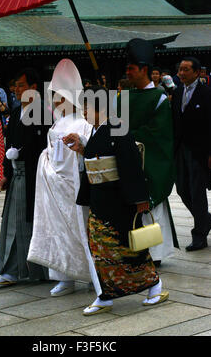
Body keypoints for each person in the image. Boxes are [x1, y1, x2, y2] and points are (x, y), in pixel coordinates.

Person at [63, 86, 168, 316]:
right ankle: (105, 295)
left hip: (119, 200)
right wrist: (81, 147)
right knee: (101, 250)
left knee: (128, 248)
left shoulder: (117, 127)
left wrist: (140, 199)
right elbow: (96, 160)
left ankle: (154, 286)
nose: (83, 112)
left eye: (86, 107)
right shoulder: (97, 131)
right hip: (101, 199)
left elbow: (130, 165)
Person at [28, 59, 93, 297]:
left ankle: (89, 274)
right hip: (54, 185)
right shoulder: (56, 123)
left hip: (73, 184)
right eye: (53, 95)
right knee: (57, 230)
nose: (54, 101)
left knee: (79, 228)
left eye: (58, 96)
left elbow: (87, 152)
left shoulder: (83, 123)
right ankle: (63, 276)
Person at [0, 68, 48, 285]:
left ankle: (39, 270)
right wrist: (6, 172)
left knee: (30, 221)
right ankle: (11, 269)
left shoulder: (42, 112)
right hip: (17, 174)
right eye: (15, 86)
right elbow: (9, 145)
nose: (16, 90)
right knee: (13, 221)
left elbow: (45, 147)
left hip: (35, 176)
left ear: (34, 88)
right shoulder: (15, 113)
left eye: (22, 85)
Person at [125, 38, 179, 267]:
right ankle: (133, 251)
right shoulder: (124, 96)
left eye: (131, 68)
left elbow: (159, 133)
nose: (127, 73)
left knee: (151, 206)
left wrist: (129, 135)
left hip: (150, 160)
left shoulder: (159, 98)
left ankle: (155, 253)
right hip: (128, 158)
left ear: (144, 70)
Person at [172, 57, 211, 251]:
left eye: (186, 70)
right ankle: (206, 219)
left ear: (197, 72)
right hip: (180, 149)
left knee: (197, 192)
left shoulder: (207, 93)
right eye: (180, 69)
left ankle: (199, 235)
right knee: (181, 189)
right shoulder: (178, 91)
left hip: (199, 150)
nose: (181, 73)